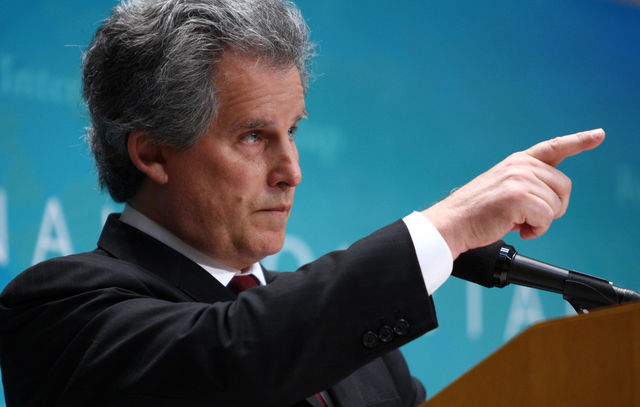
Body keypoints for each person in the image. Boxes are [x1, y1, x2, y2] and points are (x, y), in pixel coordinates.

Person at [0, 0, 604, 406]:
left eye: (292, 132)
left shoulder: (362, 349)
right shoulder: (61, 309)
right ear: (153, 153)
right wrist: (444, 229)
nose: (291, 171)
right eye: (253, 136)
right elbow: (231, 358)